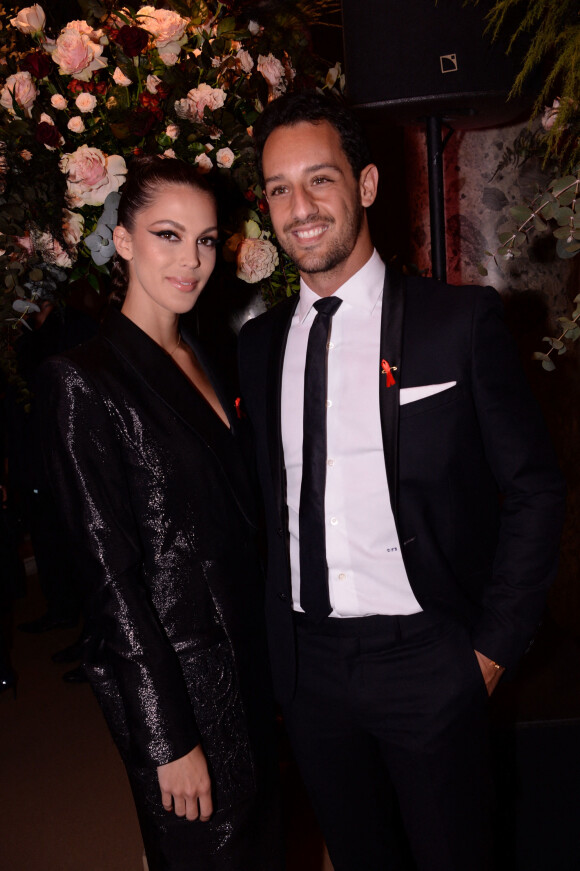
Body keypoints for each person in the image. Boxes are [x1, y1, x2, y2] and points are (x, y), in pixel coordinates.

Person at [237, 91, 565, 871]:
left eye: (320, 179)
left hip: (429, 655)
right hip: (310, 671)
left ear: (369, 185)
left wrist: (488, 650)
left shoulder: (461, 322)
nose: (300, 207)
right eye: (279, 189)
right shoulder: (255, 348)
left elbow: (536, 488)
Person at [38, 157, 282, 871]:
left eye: (206, 240)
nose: (191, 260)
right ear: (123, 241)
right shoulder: (83, 378)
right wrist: (165, 736)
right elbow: (109, 580)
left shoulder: (204, 355)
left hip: (249, 671)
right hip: (180, 693)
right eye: (168, 235)